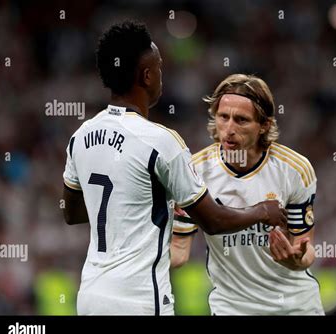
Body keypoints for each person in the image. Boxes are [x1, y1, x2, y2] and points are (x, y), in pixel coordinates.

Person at [61, 21, 286, 316]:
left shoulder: (81, 136)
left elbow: (72, 213)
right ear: (147, 75)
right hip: (140, 299)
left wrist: (128, 203)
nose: (161, 77)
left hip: (90, 295)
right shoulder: (160, 141)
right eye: (160, 68)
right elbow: (213, 221)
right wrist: (262, 211)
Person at [172, 74, 324, 315]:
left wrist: (296, 259)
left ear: (264, 125)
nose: (229, 129)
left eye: (241, 120)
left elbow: (305, 250)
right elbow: (179, 252)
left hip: (295, 307)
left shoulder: (295, 169)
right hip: (232, 309)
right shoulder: (194, 171)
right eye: (223, 117)